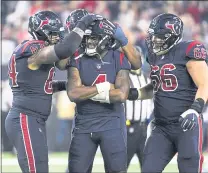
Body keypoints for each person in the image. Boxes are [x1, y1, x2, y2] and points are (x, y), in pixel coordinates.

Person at [5, 10, 103, 173]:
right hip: (25, 118)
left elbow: (45, 84)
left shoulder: (38, 53)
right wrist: (82, 24)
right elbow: (64, 50)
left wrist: (68, 85)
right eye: (53, 33)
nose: (57, 37)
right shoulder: (32, 47)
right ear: (40, 32)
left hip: (33, 119)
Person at [127, 13, 208, 173]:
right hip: (161, 127)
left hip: (186, 124)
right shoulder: (153, 55)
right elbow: (159, 86)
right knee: (148, 169)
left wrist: (195, 109)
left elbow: (205, 85)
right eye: (153, 37)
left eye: (159, 37)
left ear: (173, 36)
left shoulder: (189, 49)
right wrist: (136, 94)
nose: (154, 41)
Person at [65, 9, 139, 173]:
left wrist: (87, 91)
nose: (88, 42)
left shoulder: (118, 56)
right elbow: (73, 93)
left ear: (104, 38)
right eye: (86, 38)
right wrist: (103, 87)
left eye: (92, 38)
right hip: (84, 124)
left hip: (112, 123)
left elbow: (121, 94)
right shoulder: (76, 57)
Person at [125, 46, 153, 171]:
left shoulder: (147, 78)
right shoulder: (123, 78)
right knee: (120, 166)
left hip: (145, 129)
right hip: (127, 128)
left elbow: (152, 103)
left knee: (149, 166)